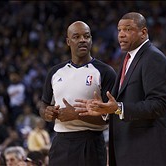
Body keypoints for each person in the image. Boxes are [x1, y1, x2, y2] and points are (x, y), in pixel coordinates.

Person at [74, 12, 166, 166]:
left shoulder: (153, 58)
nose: (121, 35)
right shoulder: (129, 58)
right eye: (119, 30)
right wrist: (105, 109)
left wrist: (119, 108)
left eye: (128, 30)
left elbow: (158, 105)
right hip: (129, 149)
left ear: (143, 32)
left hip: (148, 150)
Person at [39, 21, 116, 166]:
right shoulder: (55, 72)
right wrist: (46, 113)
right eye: (76, 37)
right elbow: (43, 105)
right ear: (68, 41)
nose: (82, 40)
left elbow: (111, 117)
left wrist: (76, 115)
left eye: (86, 36)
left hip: (91, 141)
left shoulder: (105, 72)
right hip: (60, 142)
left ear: (91, 40)